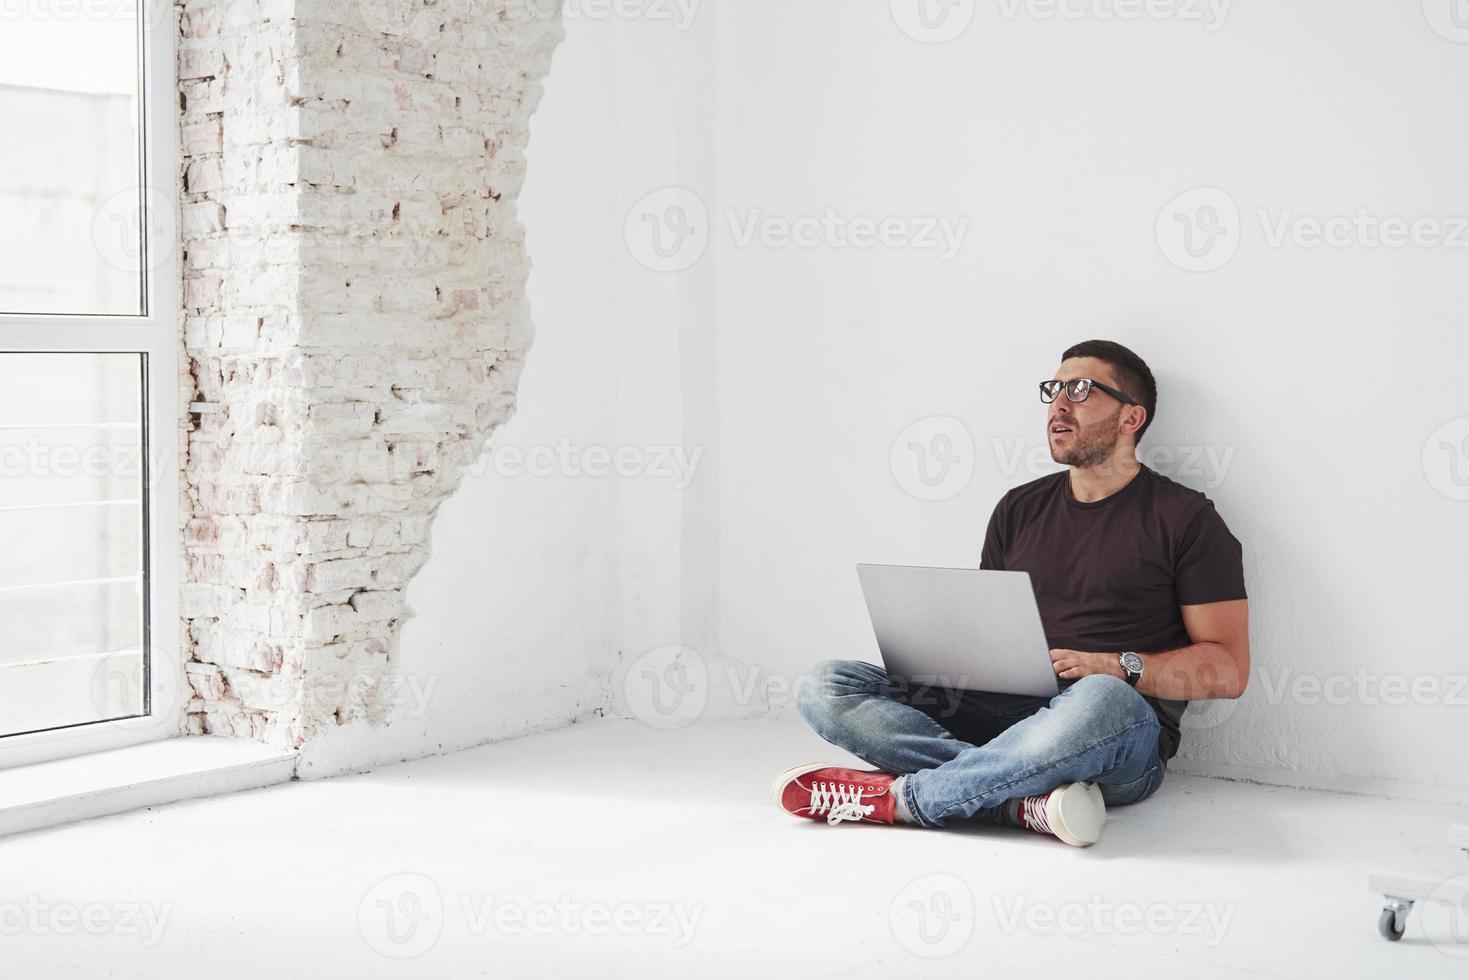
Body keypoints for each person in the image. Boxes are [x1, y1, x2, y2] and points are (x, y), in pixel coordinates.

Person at [772, 340, 1250, 846]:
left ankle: (908, 800)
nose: (1059, 405)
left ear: (1132, 418)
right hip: (1001, 715)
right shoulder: (1018, 508)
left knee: (1104, 697)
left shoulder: (1187, 519)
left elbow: (1228, 669)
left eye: (1081, 390)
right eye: (1054, 389)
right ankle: (1022, 801)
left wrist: (1119, 666)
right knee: (825, 684)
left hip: (1107, 728)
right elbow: (991, 626)